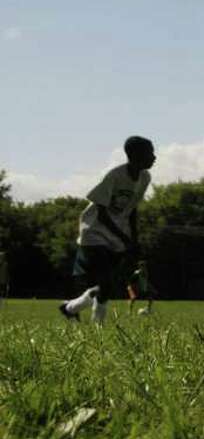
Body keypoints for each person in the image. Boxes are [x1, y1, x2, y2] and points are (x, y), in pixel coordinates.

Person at [59, 136, 156, 324]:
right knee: (106, 282)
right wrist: (125, 239)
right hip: (94, 230)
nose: (154, 157)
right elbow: (102, 214)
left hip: (117, 233)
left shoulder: (145, 177)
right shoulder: (115, 175)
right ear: (134, 155)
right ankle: (98, 327)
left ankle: (69, 308)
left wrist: (134, 239)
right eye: (150, 152)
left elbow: (132, 209)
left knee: (107, 285)